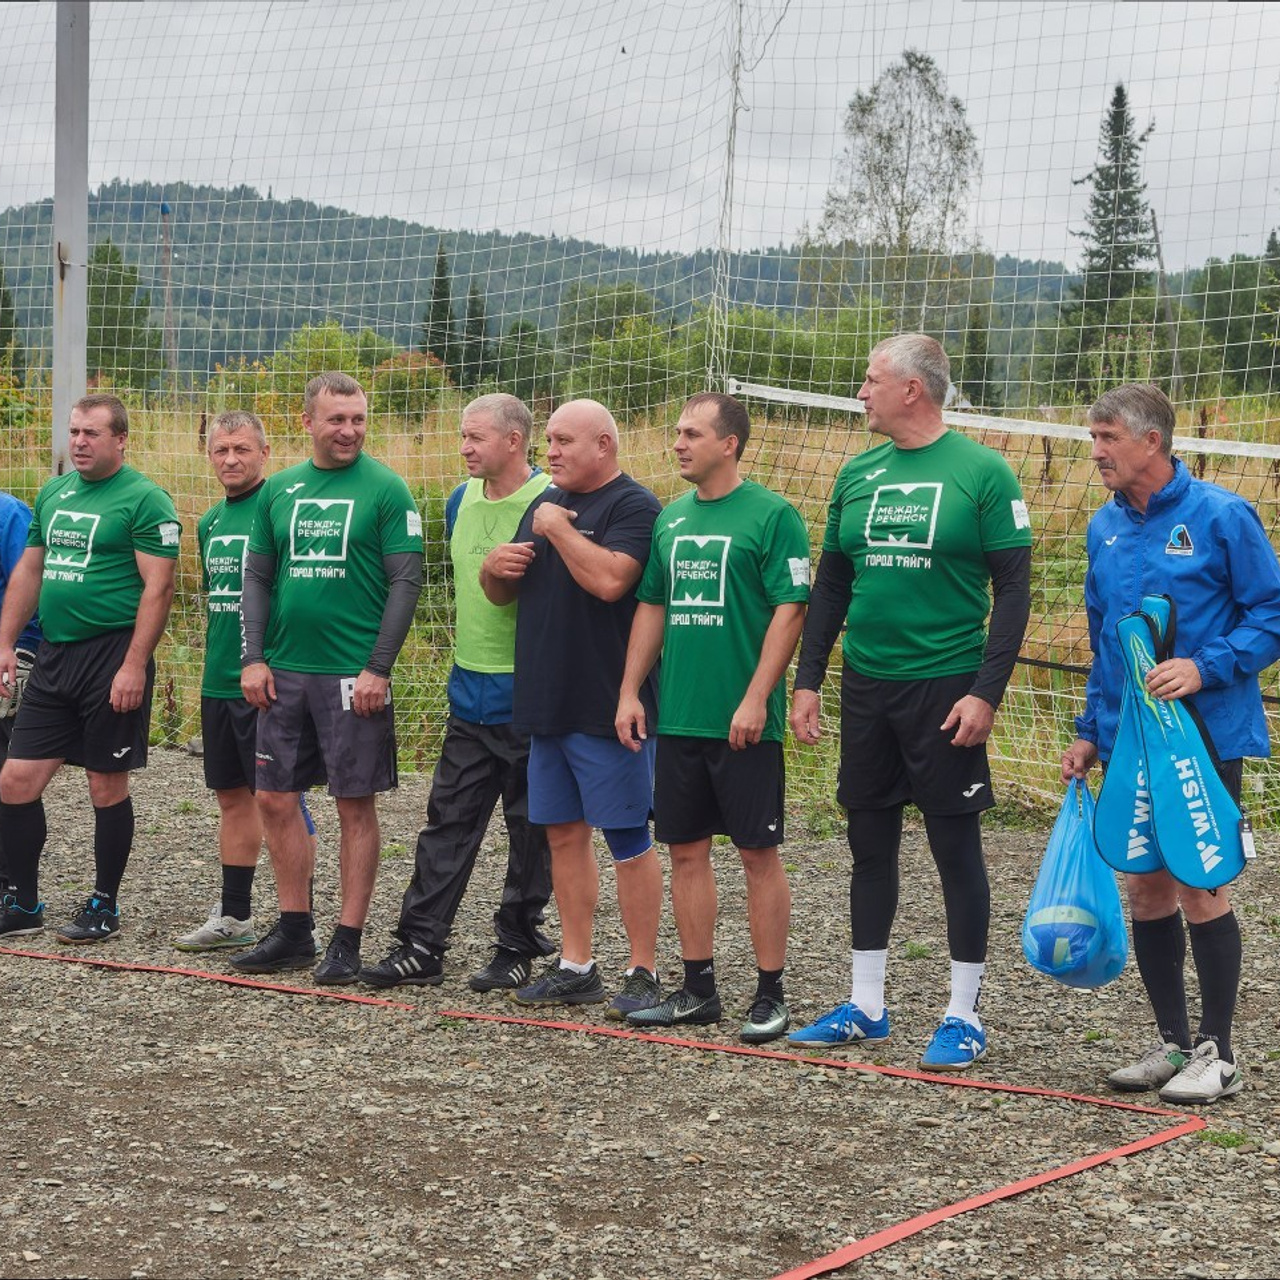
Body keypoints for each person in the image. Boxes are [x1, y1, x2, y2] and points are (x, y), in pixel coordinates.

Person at [787, 334, 1032, 1071]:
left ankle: (964, 1014)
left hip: (945, 685)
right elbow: (831, 585)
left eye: (870, 380)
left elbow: (1015, 590)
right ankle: (867, 1004)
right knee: (869, 844)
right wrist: (808, 680)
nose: (861, 393)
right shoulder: (857, 473)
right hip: (868, 684)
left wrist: (985, 694)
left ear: (912, 390)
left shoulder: (983, 472)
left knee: (955, 847)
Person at [1062, 383, 1280, 1105]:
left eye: (1107, 439)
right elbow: (1105, 643)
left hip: (1205, 736)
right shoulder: (1104, 527)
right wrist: (1090, 732)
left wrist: (1204, 665)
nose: (1095, 453)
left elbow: (1271, 613)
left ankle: (1218, 1052)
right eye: (1093, 438)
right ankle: (1173, 1043)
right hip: (1130, 743)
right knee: (1146, 886)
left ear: (1150, 441)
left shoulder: (1222, 516)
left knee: (1198, 881)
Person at [615, 393, 809, 1044]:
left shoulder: (773, 516)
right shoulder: (669, 520)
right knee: (685, 853)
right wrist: (630, 690)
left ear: (729, 444)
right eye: (675, 432)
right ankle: (698, 990)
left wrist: (757, 696)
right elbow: (652, 607)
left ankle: (770, 994)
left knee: (758, 853)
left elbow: (791, 609)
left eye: (691, 433)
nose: (677, 443)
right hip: (682, 721)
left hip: (744, 722)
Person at [233, 372, 423, 984]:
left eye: (359, 419)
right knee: (273, 797)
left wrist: (378, 667)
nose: (349, 431)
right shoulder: (279, 490)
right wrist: (253, 657)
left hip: (352, 676)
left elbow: (405, 581)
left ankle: (347, 938)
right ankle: (294, 929)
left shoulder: (388, 490)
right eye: (337, 419)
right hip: (283, 671)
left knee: (352, 805)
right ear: (308, 423)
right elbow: (257, 577)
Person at [362, 393, 554, 990]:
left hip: (530, 694)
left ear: (514, 441)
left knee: (530, 829)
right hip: (469, 689)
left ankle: (518, 945)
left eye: (476, 437)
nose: (464, 446)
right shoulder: (458, 499)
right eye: (462, 435)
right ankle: (421, 944)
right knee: (446, 821)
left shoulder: (551, 503)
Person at [480, 398, 664, 1017]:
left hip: (607, 705)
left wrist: (558, 530)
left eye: (562, 441)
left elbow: (614, 580)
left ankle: (643, 970)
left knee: (627, 836)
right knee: (561, 833)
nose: (550, 451)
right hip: (547, 699)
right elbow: (504, 590)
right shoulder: (545, 501)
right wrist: (492, 570)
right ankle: (576, 964)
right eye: (549, 441)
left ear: (604, 445)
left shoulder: (635, 506)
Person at [0, 393, 180, 942]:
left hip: (112, 654)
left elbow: (160, 586)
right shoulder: (53, 493)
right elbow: (31, 570)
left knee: (106, 784)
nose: (78, 442)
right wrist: (5, 642)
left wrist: (134, 665)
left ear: (120, 440)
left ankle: (104, 904)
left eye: (91, 434)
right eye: (74, 432)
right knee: (15, 780)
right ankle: (24, 903)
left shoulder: (146, 500)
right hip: (55, 655)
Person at [173, 411, 317, 952]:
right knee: (232, 798)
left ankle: (298, 918)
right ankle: (234, 916)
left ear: (264, 451)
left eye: (242, 449)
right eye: (220, 451)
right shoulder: (210, 520)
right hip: (218, 680)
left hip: (270, 681)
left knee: (281, 801)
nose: (231, 460)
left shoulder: (281, 507)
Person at [0, 490, 43, 895]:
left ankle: (13, 885)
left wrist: (22, 652)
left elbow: (31, 585)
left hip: (5, 661)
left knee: (9, 775)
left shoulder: (9, 514)